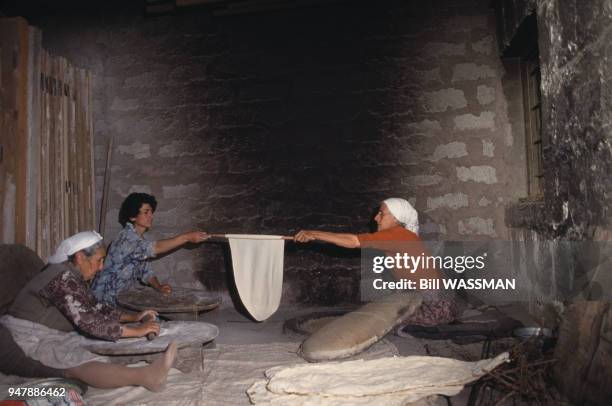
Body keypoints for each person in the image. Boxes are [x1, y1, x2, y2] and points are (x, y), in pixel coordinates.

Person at [1, 231, 177, 391]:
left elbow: (95, 306)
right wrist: (137, 330)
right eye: (99, 260)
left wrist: (134, 317)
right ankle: (146, 377)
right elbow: (89, 321)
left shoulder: (71, 275)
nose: (101, 267)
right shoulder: (61, 277)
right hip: (25, 338)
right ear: (80, 257)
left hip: (50, 333)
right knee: (77, 360)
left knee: (99, 346)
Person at [294, 197, 458, 326]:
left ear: (396, 219)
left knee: (381, 320)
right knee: (380, 311)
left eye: (382, 214)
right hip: (437, 300)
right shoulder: (401, 235)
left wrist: (313, 234)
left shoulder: (399, 235)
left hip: (436, 306)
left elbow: (353, 241)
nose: (376, 218)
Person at [91, 192, 209, 305]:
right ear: (133, 216)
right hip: (104, 300)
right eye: (146, 212)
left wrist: (158, 287)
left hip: (119, 297)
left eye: (151, 212)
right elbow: (155, 247)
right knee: (153, 318)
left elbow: (145, 271)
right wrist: (186, 237)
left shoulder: (138, 239)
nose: (151, 216)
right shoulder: (126, 239)